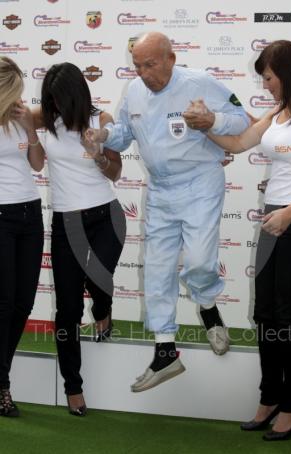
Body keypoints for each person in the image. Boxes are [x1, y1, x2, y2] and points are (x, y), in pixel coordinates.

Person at [184, 40, 291, 440]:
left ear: (286, 74)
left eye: (269, 77)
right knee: (265, 316)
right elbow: (238, 144)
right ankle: (269, 396)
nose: (266, 84)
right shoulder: (278, 112)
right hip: (275, 221)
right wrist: (206, 129)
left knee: (285, 317)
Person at [84, 32, 249, 392]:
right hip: (161, 189)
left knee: (201, 261)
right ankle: (165, 350)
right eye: (137, 65)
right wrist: (103, 136)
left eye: (150, 64)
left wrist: (212, 121)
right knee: (158, 269)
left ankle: (207, 307)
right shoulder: (135, 91)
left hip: (201, 182)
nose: (143, 72)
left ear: (171, 58)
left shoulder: (200, 82)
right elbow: (125, 133)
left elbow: (242, 119)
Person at [33, 62, 126, 416]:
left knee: (99, 278)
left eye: (60, 98)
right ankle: (73, 387)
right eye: (49, 99)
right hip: (66, 220)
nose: (54, 105)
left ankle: (103, 309)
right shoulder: (45, 118)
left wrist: (99, 155)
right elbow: (17, 117)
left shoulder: (102, 121)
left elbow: (116, 173)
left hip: (106, 217)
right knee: (68, 308)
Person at [0, 57, 44, 417]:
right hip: (0, 216)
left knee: (22, 304)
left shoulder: (20, 116)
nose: (20, 97)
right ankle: (2, 385)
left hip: (30, 213)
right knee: (2, 305)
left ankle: (0, 379)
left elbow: (37, 164)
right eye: (14, 90)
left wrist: (30, 129)